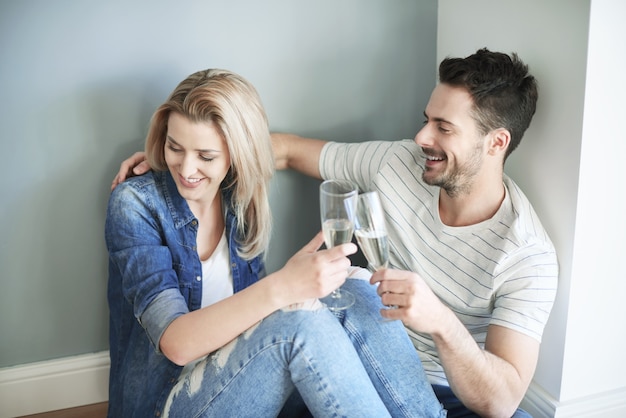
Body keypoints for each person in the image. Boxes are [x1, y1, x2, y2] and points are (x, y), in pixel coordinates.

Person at [113, 48, 558, 417]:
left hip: (442, 385)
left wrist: (440, 320)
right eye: (427, 119)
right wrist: (181, 158)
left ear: (496, 142)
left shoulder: (526, 254)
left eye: (443, 127)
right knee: (343, 291)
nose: (421, 136)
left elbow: (500, 399)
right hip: (202, 386)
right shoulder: (397, 164)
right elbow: (286, 150)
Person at [105, 68, 445, 417]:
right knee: (299, 324)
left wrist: (294, 289)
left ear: (236, 155)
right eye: (174, 147)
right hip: (170, 402)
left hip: (243, 372)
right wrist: (284, 286)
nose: (187, 168)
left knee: (358, 289)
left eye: (205, 156)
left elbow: (270, 152)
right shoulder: (136, 204)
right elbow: (176, 344)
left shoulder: (236, 195)